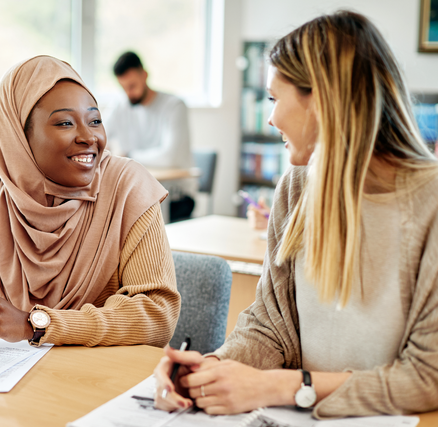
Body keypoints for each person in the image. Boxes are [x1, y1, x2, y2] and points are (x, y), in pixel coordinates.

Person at [154, 11, 438, 418]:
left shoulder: (431, 201)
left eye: (274, 98)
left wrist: (286, 386)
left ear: (320, 100)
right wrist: (211, 369)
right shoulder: (298, 186)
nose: (270, 118)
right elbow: (271, 327)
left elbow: (428, 377)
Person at [0, 56, 181, 349]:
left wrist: (37, 324)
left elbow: (156, 314)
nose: (88, 137)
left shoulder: (127, 187)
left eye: (95, 120)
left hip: (101, 379)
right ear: (18, 136)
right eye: (65, 123)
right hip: (10, 379)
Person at [103, 51, 196, 222]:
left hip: (176, 195)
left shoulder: (174, 106)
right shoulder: (121, 106)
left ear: (144, 75)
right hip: (139, 193)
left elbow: (170, 157)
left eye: (132, 86)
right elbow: (98, 136)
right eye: (123, 88)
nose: (128, 93)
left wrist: (128, 156)